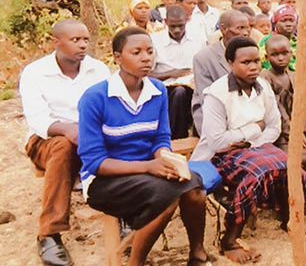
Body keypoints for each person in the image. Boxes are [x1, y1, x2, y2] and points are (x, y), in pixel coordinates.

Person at [77, 27, 209, 266]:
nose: (146, 57)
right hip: (105, 180)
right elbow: (95, 163)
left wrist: (166, 159)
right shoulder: (95, 97)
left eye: (149, 51)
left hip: (149, 171)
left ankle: (197, 255)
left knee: (195, 188)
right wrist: (149, 166)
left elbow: (160, 138)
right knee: (166, 198)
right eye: (136, 52)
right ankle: (135, 262)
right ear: (117, 57)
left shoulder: (157, 90)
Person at [190, 37, 306, 263]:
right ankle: (229, 239)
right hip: (220, 155)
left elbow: (274, 127)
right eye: (246, 62)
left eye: (257, 61)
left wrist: (249, 142)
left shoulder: (262, 87)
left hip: (253, 147)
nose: (254, 66)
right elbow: (217, 141)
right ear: (230, 63)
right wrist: (254, 129)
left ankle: (288, 217)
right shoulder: (216, 94)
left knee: (291, 167)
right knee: (258, 174)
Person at [19, 19, 110, 266]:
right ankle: (49, 233)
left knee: (123, 141)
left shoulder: (98, 69)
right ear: (55, 42)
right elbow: (38, 120)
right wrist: (70, 130)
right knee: (63, 146)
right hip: (46, 141)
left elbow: (108, 108)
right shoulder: (35, 73)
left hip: (91, 138)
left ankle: (124, 217)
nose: (82, 45)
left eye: (85, 40)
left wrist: (90, 132)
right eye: (75, 40)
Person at [259, 35, 306, 190]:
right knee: (291, 158)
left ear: (291, 53)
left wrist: (302, 130)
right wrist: (292, 132)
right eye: (275, 54)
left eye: (285, 53)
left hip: (299, 127)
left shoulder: (293, 75)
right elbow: (275, 108)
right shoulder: (265, 77)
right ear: (267, 56)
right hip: (280, 131)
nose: (281, 58)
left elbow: (301, 106)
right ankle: (295, 187)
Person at [192, 10, 251, 134]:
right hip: (214, 120)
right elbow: (207, 100)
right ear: (224, 29)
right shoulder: (204, 57)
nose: (245, 33)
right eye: (240, 28)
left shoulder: (250, 53)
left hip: (247, 119)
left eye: (247, 28)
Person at [150, 6, 201, 139]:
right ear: (166, 22)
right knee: (179, 93)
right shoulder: (155, 41)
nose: (177, 30)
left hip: (194, 84)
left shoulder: (198, 38)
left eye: (180, 25)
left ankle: (199, 137)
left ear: (187, 20)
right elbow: (146, 74)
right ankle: (177, 138)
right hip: (166, 87)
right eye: (172, 26)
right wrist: (171, 73)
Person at [259, 4, 297, 70]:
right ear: (275, 23)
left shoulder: (298, 42)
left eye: (291, 20)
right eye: (283, 21)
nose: (288, 24)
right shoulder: (267, 41)